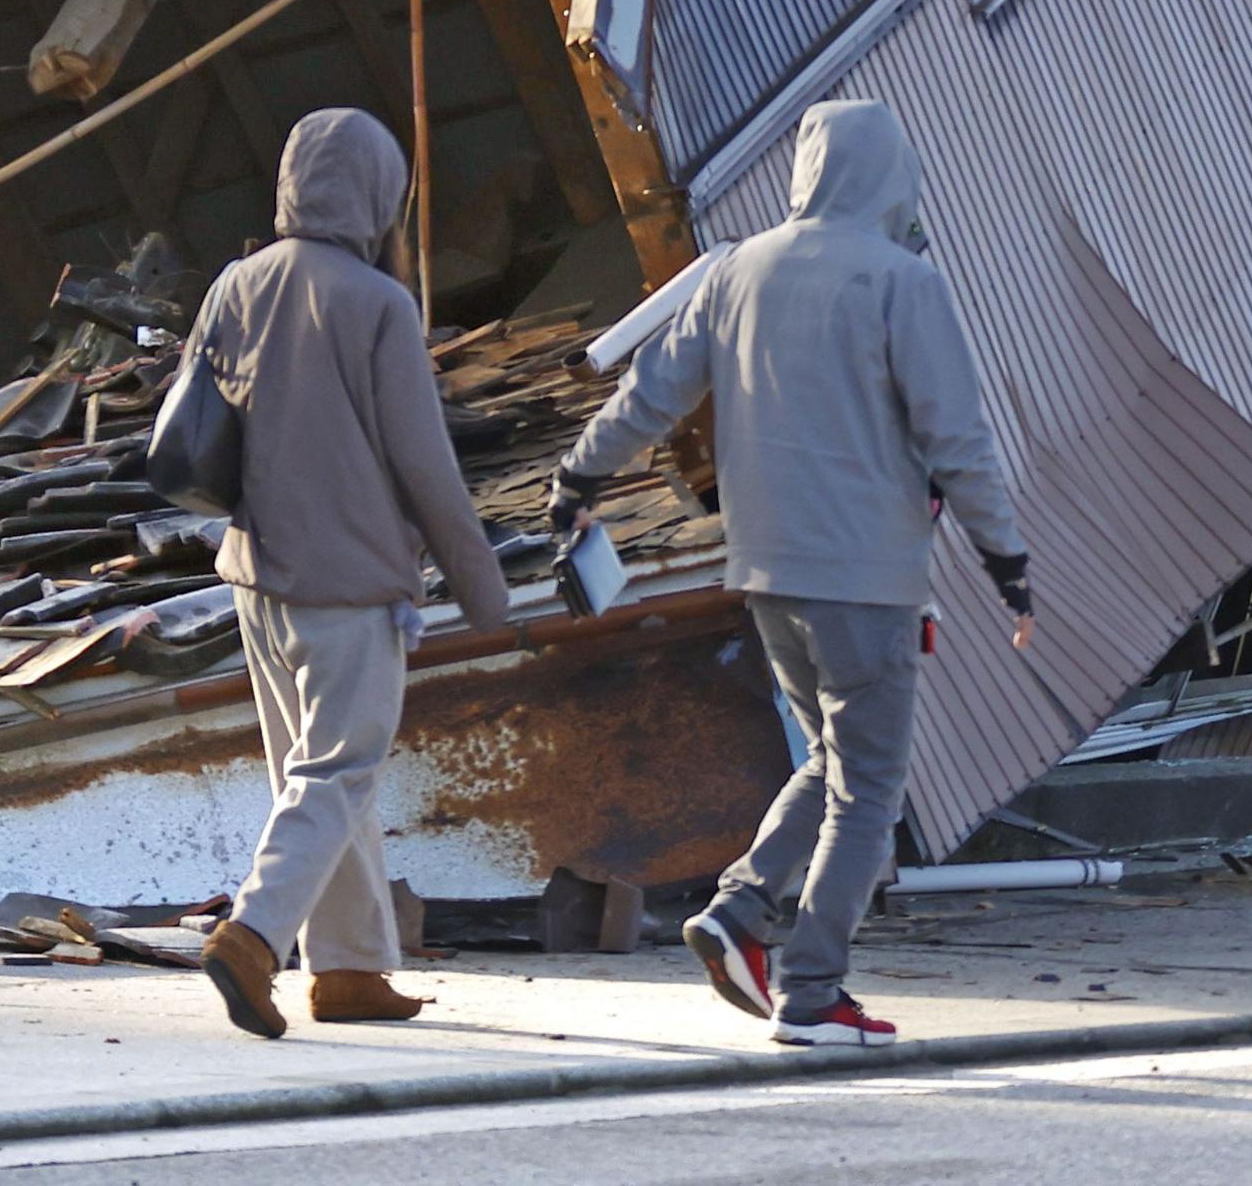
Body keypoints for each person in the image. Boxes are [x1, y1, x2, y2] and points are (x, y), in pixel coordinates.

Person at [547, 99, 1030, 1049]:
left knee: (829, 760)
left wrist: (579, 474)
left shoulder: (736, 272)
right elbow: (958, 438)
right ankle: (812, 994)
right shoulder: (903, 282)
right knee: (871, 791)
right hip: (868, 580)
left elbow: (652, 392)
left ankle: (737, 909)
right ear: (894, 177)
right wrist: (1004, 556)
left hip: (768, 574)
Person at [190, 106, 516, 1041]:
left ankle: (350, 971)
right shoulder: (378, 304)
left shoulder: (235, 285)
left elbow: (196, 416)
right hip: (348, 584)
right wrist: (483, 591)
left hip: (256, 574)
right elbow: (426, 467)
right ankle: (252, 937)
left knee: (319, 776)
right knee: (337, 773)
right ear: (380, 194)